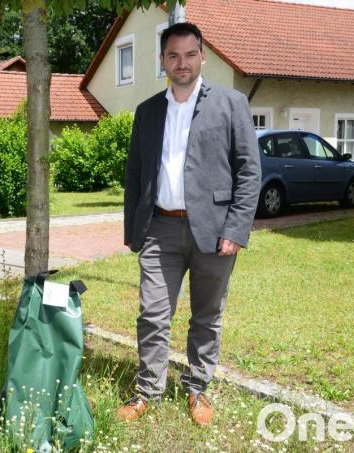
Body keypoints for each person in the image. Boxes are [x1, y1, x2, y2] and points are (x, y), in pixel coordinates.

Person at [119, 22, 261, 426]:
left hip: (214, 231)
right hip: (160, 228)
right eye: (173, 55)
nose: (182, 63)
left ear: (202, 56)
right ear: (162, 60)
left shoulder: (231, 104)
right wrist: (134, 230)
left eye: (189, 54)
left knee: (206, 314)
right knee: (152, 313)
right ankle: (148, 391)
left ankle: (197, 389)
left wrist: (235, 230)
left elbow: (249, 171)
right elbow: (135, 174)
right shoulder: (147, 111)